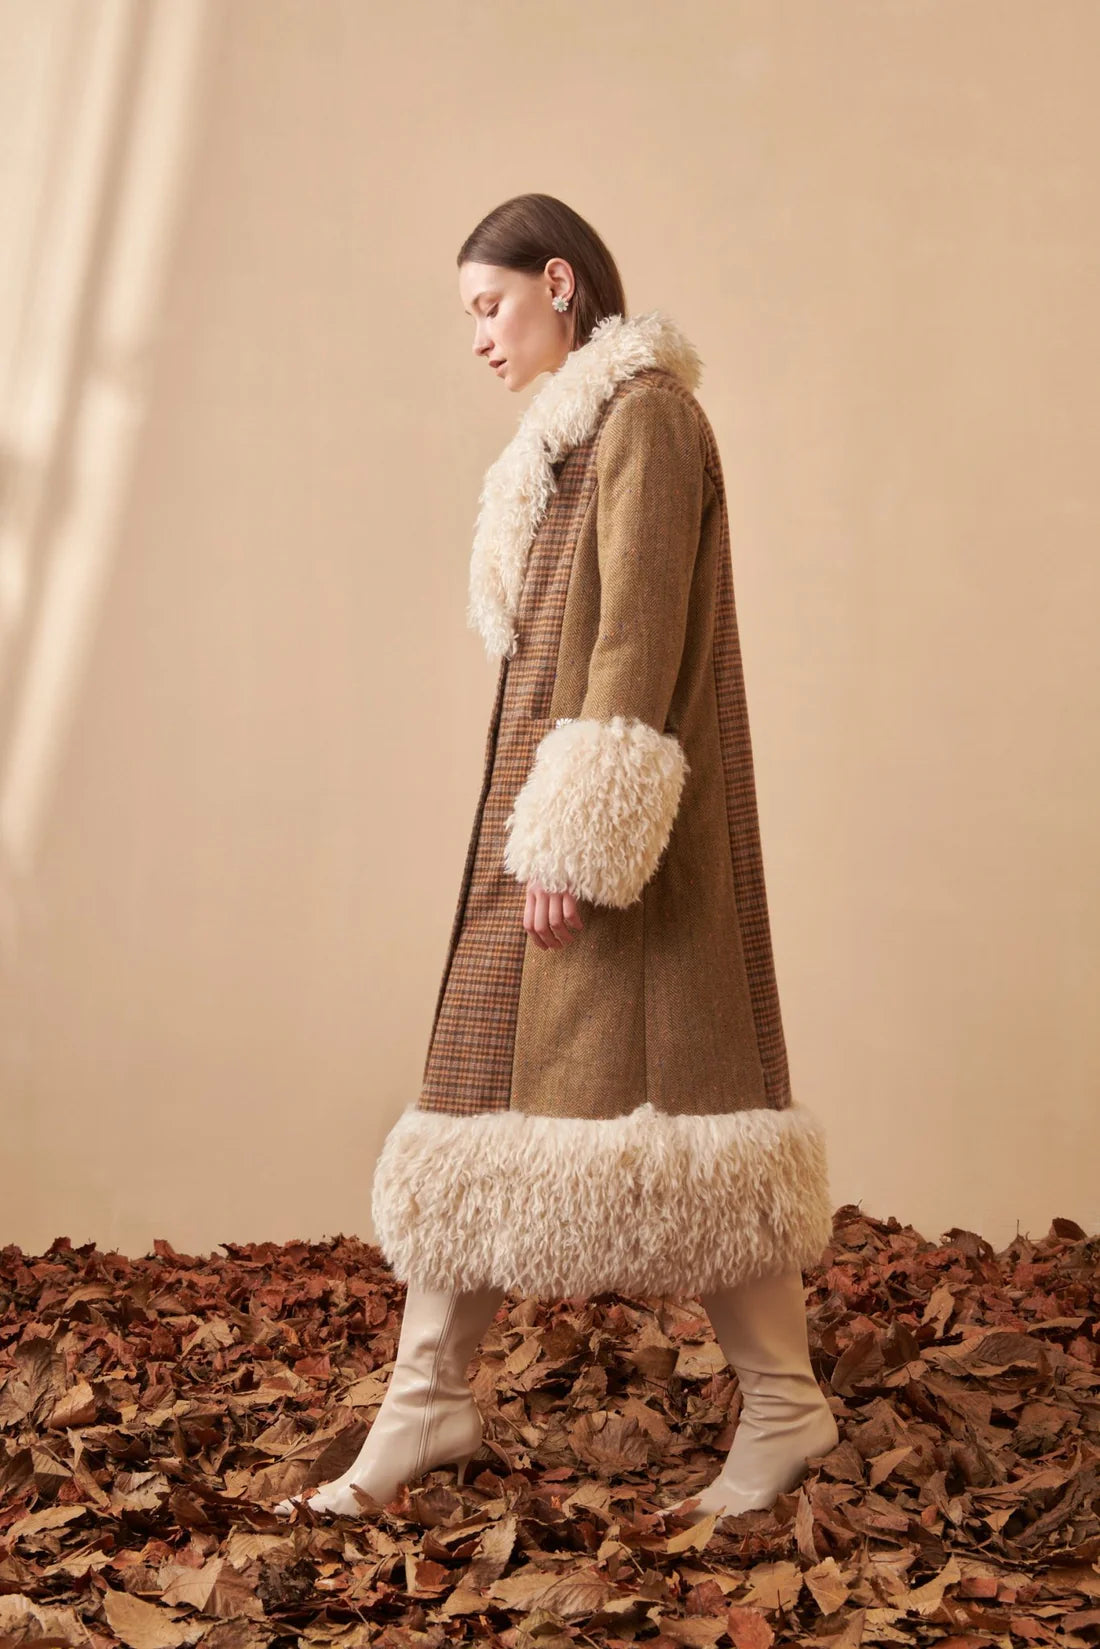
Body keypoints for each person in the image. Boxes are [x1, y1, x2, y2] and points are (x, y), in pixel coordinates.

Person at [275, 193, 839, 1527]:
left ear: (561, 283)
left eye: (491, 305)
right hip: (535, 826)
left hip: (606, 838)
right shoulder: (574, 436)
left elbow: (635, 634)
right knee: (474, 1105)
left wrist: (577, 837)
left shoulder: (646, 418)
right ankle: (427, 1401)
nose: (479, 336)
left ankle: (783, 1402)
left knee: (692, 1122)